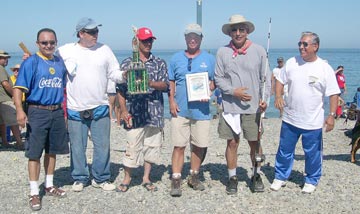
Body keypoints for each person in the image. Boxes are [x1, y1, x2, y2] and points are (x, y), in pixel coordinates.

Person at [56, 17, 125, 192]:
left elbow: (115, 73)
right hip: (74, 108)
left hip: (100, 106)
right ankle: (79, 177)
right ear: (81, 33)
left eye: (97, 31)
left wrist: (127, 75)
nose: (96, 34)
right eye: (92, 32)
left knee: (102, 145)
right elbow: (49, 64)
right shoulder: (65, 51)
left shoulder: (105, 50)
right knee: (77, 147)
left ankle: (101, 178)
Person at [270, 31, 340, 194]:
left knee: (313, 153)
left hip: (312, 121)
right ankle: (280, 177)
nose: (301, 47)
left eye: (305, 44)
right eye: (299, 44)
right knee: (284, 150)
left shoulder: (324, 68)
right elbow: (280, 80)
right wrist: (278, 96)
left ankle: (311, 179)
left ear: (315, 46)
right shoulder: (292, 62)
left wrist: (331, 116)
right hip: (290, 118)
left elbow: (333, 93)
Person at [13, 28, 68, 211]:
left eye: (52, 42)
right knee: (34, 153)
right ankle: (34, 192)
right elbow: (18, 89)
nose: (48, 45)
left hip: (56, 111)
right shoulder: (31, 62)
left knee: (52, 151)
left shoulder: (59, 62)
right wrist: (20, 111)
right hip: (37, 111)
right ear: (38, 43)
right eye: (44, 43)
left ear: (56, 42)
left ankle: (49, 184)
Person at [214, 14, 271, 194]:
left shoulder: (260, 50)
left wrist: (265, 100)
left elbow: (266, 79)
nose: (238, 33)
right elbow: (218, 78)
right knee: (232, 143)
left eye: (241, 30)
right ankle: (232, 177)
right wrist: (234, 91)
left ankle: (256, 174)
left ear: (247, 31)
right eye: (234, 30)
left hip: (253, 107)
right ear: (229, 33)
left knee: (255, 142)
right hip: (230, 107)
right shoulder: (222, 52)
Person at [115, 27, 168, 192]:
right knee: (132, 144)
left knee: (152, 146)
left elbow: (166, 85)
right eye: (144, 40)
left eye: (150, 40)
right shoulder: (127, 63)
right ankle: (127, 178)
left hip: (155, 112)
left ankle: (146, 178)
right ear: (136, 42)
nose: (148, 43)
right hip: (134, 112)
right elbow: (120, 90)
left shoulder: (159, 63)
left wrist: (150, 83)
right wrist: (123, 111)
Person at [168, 24, 215, 197]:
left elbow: (215, 80)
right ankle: (176, 178)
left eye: (196, 36)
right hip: (180, 110)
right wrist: (171, 101)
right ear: (185, 38)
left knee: (199, 146)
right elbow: (171, 82)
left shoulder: (210, 59)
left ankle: (194, 176)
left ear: (201, 38)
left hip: (201, 112)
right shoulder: (175, 58)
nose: (192, 39)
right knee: (179, 145)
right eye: (189, 36)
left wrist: (209, 90)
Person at [0, 50, 23, 149]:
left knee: (2, 123)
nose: (6, 60)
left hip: (1, 99)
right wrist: (14, 95)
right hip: (5, 99)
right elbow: (5, 84)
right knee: (13, 121)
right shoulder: (0, 69)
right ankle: (19, 142)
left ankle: (4, 141)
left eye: (7, 58)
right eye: (4, 58)